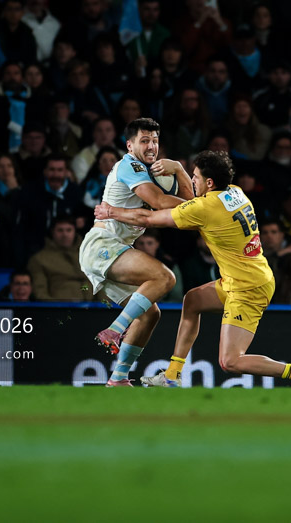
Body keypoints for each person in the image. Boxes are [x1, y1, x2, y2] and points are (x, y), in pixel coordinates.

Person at [96, 150, 291, 389]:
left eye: (195, 177)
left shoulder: (207, 208)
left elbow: (149, 219)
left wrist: (111, 212)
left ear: (209, 182)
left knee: (231, 361)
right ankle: (172, 374)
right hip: (246, 276)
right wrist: (178, 168)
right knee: (193, 300)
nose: (192, 181)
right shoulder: (235, 192)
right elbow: (193, 203)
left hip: (247, 288)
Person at [82, 118, 194, 386]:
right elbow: (159, 203)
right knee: (164, 278)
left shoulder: (152, 171)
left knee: (150, 313)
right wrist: (199, 210)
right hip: (102, 245)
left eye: (155, 140)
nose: (151, 146)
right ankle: (114, 330)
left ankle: (118, 379)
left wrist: (179, 169)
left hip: (115, 248)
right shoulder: (130, 165)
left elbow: (190, 203)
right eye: (145, 140)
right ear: (130, 144)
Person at [28, 216, 92, 300]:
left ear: (75, 232)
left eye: (69, 230)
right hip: (59, 309)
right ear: (52, 232)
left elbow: (102, 285)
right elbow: (40, 292)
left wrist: (105, 308)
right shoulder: (39, 259)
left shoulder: (89, 255)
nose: (65, 234)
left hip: (93, 308)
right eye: (60, 230)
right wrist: (56, 309)